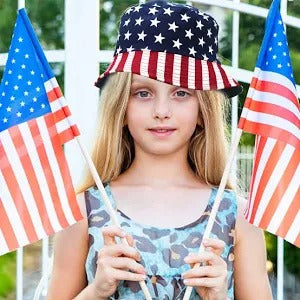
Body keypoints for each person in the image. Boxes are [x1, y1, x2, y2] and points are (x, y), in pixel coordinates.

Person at [47, 1, 272, 299]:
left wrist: (218, 296)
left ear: (203, 110)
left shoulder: (237, 215)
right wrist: (97, 290)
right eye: (143, 93)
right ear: (121, 107)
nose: (161, 111)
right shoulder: (85, 209)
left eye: (181, 93)